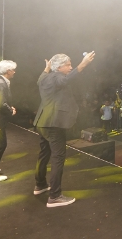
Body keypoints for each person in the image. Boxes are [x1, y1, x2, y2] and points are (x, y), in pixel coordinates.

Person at [33, 51, 95, 208]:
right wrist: (83, 64)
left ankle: (40, 185)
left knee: (44, 153)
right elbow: (66, 79)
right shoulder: (58, 76)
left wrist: (47, 67)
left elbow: (40, 78)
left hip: (42, 121)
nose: (70, 67)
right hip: (54, 122)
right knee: (58, 157)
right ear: (60, 67)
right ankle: (54, 196)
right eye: (68, 64)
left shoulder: (45, 77)